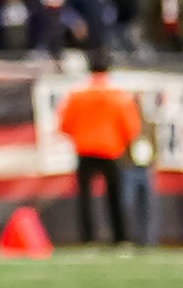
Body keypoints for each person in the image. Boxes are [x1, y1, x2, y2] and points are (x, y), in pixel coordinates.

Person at [60, 50, 145, 248]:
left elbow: (64, 124)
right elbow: (131, 127)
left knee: (85, 199)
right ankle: (120, 238)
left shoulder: (77, 95)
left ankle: (88, 239)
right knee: (115, 197)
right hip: (111, 150)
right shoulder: (119, 96)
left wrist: (81, 136)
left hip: (84, 150)